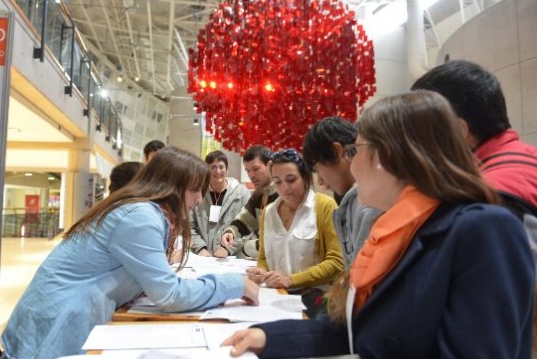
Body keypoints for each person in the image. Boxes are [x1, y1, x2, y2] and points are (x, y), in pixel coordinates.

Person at [222, 91, 534, 358]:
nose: (351, 163)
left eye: (356, 151)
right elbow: (362, 326)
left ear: (388, 156)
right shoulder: (397, 226)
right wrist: (271, 338)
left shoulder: (483, 230)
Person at [1, 147, 260, 358]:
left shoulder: (145, 212)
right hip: (56, 327)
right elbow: (169, 295)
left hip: (63, 318)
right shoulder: (141, 216)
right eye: (195, 190)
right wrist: (235, 285)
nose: (197, 199)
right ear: (172, 185)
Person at [411, 60, 537, 207]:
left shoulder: (488, 195)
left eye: (418, 129)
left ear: (458, 130)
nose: (416, 144)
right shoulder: (526, 157)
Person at [246, 148, 343, 293]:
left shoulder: (324, 206)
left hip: (314, 294)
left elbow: (336, 262)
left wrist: (290, 280)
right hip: (276, 293)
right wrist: (261, 270)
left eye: (291, 180)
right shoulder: (269, 212)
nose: (284, 188)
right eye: (278, 182)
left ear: (304, 178)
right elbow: (263, 257)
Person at [302, 117, 382, 268]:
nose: (320, 181)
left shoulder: (368, 203)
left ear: (337, 151)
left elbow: (361, 280)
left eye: (318, 170)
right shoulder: (352, 201)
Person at [219, 145, 278, 258]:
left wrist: (247, 247)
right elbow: (245, 221)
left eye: (255, 169)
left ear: (270, 166)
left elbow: (278, 240)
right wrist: (230, 232)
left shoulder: (283, 194)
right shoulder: (258, 194)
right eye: (248, 171)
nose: (251, 175)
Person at [190, 151, 250, 256]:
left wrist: (227, 249)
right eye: (213, 167)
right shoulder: (197, 193)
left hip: (232, 259)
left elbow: (248, 229)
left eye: (221, 167)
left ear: (227, 169)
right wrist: (200, 248)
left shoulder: (242, 193)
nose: (217, 171)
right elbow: (189, 226)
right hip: (202, 258)